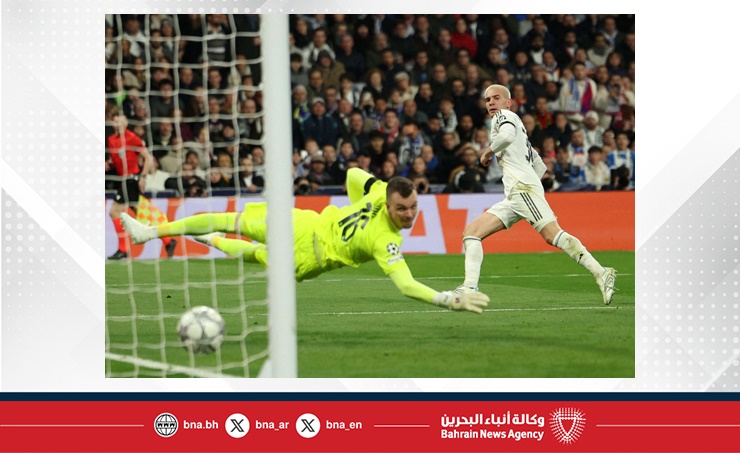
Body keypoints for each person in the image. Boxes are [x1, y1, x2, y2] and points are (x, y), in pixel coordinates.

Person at [121, 168, 490, 313]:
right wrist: (448, 299)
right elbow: (406, 285)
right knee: (234, 220)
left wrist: (357, 201)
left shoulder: (381, 210)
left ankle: (209, 239)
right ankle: (149, 232)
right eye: (402, 208)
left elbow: (353, 174)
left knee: (252, 252)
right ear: (390, 201)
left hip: (308, 257)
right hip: (306, 228)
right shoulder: (385, 231)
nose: (409, 215)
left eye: (413, 208)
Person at [447, 84, 616, 305]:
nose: (491, 103)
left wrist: (487, 152)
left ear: (508, 102)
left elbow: (506, 137)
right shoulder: (521, 131)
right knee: (471, 233)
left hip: (522, 190)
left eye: (496, 98)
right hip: (516, 194)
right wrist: (531, 184)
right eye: (487, 99)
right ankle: (469, 287)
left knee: (552, 235)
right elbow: (539, 165)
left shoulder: (503, 117)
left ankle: (601, 272)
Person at [107, 114, 176, 259]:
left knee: (114, 212)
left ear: (126, 124)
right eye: (116, 122)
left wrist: (143, 177)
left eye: (121, 122)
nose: (118, 124)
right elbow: (117, 159)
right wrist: (109, 164)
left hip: (132, 179)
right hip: (123, 179)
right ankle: (168, 241)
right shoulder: (111, 139)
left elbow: (148, 157)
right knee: (142, 214)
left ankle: (123, 249)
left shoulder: (132, 138)